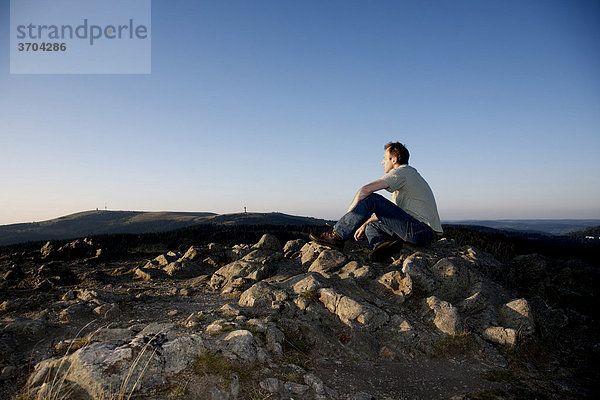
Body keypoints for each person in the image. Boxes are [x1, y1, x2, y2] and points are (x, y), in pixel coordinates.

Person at [310, 142, 443, 261]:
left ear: (394, 159)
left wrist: (349, 214)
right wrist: (363, 224)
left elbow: (366, 189)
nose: (382, 162)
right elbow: (388, 215)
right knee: (371, 226)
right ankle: (381, 248)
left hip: (421, 231)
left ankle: (335, 236)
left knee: (372, 199)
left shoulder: (403, 172)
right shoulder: (408, 177)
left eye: (385, 158)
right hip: (417, 231)